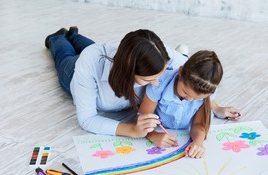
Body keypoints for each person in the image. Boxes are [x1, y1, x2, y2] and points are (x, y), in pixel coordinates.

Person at [45, 27, 240, 137]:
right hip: (73, 71)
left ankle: (75, 34)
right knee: (65, 54)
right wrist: (132, 129)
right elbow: (87, 119)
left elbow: (199, 81)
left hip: (109, 53)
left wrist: (216, 107)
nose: (157, 84)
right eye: (149, 79)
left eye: (160, 76)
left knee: (91, 45)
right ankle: (59, 37)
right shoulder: (90, 63)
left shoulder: (167, 57)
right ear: (128, 71)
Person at [138, 50, 224, 158]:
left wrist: (198, 142)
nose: (189, 100)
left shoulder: (206, 89)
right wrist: (153, 135)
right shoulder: (159, 84)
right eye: (185, 93)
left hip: (186, 128)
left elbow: (198, 124)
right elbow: (142, 118)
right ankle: (182, 53)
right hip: (160, 127)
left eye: (196, 99)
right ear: (180, 71)